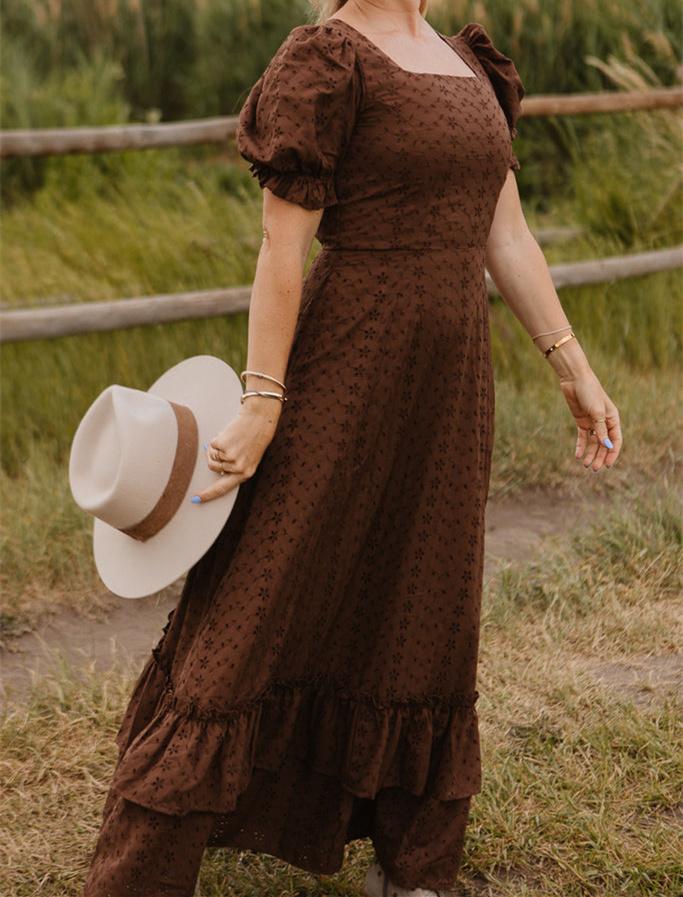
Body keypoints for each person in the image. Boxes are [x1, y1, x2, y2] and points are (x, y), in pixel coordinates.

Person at [82, 1, 622, 895]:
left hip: (448, 388)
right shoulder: (325, 59)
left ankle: (414, 866)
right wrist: (262, 398)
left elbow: (505, 231)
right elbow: (279, 252)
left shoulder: (469, 62)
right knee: (262, 595)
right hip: (345, 364)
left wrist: (570, 362)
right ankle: (139, 871)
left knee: (426, 595)